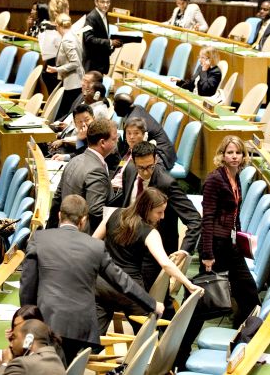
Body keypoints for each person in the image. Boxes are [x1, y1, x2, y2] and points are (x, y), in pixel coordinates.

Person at [22, 195, 162, 362]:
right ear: (83, 220)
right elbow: (121, 280)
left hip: (47, 319)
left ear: (59, 216)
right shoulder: (95, 247)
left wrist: (28, 319)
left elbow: (27, 284)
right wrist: (152, 303)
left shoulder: (39, 239)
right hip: (81, 327)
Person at [175, 136, 261, 370]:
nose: (234, 156)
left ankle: (243, 348)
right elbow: (208, 219)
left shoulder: (236, 177)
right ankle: (179, 355)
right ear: (222, 155)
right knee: (203, 305)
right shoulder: (215, 179)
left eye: (238, 153)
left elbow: (235, 213)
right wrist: (207, 255)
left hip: (231, 246)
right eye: (230, 152)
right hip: (216, 247)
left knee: (249, 296)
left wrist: (241, 238)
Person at [93, 187, 199, 333]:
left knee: (94, 338)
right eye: (159, 212)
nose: (162, 217)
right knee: (148, 334)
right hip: (129, 290)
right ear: (146, 209)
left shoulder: (114, 214)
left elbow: (93, 243)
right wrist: (188, 284)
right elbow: (165, 263)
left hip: (101, 286)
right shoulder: (150, 232)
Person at [109, 141, 203, 288]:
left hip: (155, 252)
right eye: (141, 167)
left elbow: (194, 219)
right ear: (133, 162)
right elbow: (126, 205)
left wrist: (184, 250)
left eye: (150, 167)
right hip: (130, 247)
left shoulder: (167, 184)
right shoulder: (129, 171)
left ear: (156, 160)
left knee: (153, 293)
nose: (146, 172)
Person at [49, 119, 117, 231]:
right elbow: (96, 211)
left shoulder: (74, 160)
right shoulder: (96, 170)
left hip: (65, 232)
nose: (116, 142)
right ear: (102, 143)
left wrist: (51, 230)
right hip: (84, 238)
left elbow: (57, 198)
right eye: (114, 139)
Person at [112, 94, 178, 169]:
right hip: (164, 150)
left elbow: (127, 146)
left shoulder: (132, 120)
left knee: (127, 167)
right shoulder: (137, 107)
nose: (113, 106)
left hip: (161, 154)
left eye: (115, 104)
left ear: (122, 107)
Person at [0, 320, 66, 374]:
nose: (11, 344)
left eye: (14, 338)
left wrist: (4, 364)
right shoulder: (54, 356)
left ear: (28, 339)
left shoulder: (22, 363)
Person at [47, 13, 84, 120]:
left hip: (72, 82)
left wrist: (56, 69)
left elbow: (75, 62)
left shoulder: (67, 40)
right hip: (76, 80)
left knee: (66, 113)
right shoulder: (73, 35)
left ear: (58, 26)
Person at [83, 0, 121, 74]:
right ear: (96, 2)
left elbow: (102, 37)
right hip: (93, 64)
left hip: (100, 63)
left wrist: (112, 45)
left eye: (108, 2)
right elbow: (88, 39)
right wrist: (110, 42)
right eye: (102, 2)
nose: (106, 5)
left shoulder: (104, 16)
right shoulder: (91, 17)